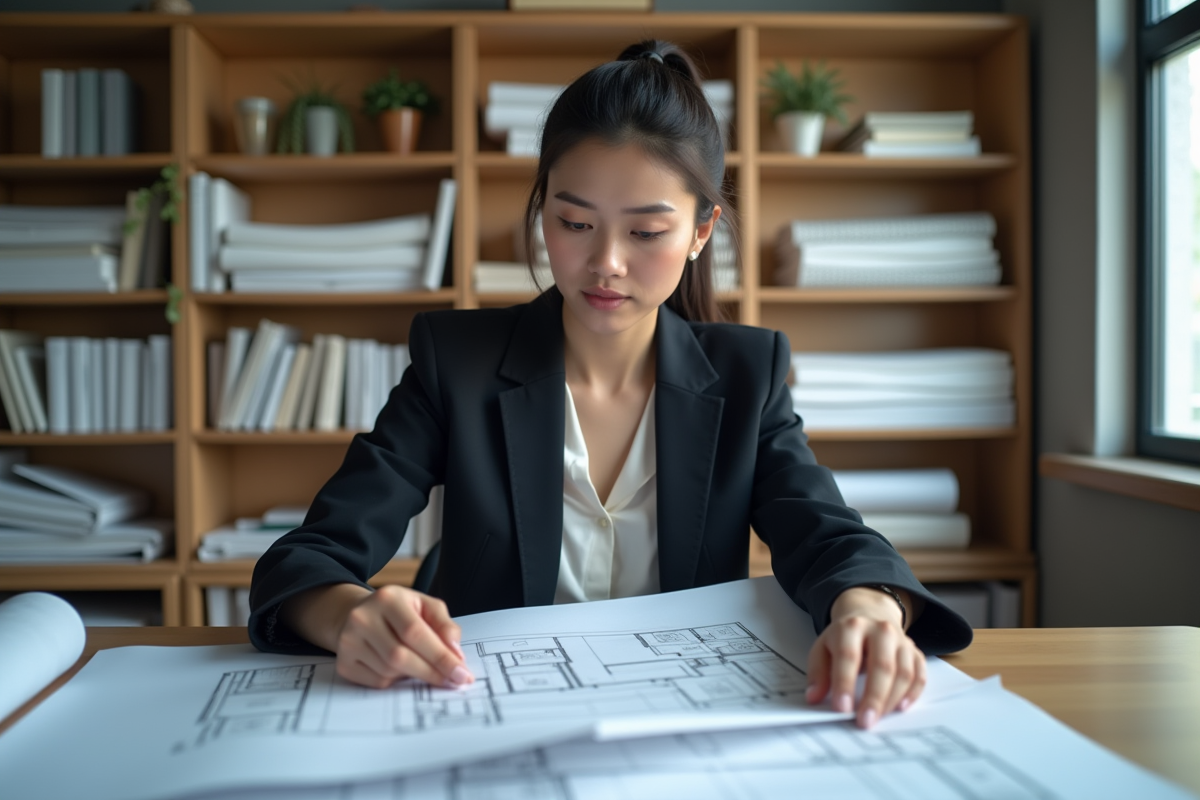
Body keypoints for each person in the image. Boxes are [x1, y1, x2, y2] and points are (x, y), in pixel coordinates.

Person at [248, 40, 973, 730]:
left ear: (700, 231)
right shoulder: (457, 363)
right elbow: (308, 558)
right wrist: (347, 615)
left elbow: (829, 537)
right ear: (542, 212)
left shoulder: (748, 376)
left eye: (646, 232)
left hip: (682, 717)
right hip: (487, 713)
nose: (605, 263)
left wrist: (870, 612)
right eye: (574, 222)